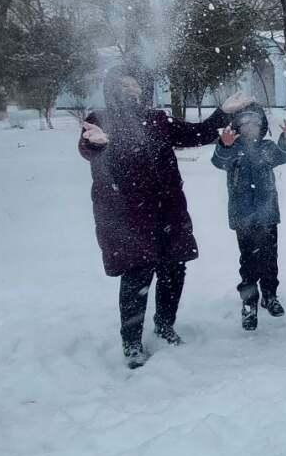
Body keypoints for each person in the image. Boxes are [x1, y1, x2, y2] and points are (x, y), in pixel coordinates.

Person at [78, 61, 240, 368]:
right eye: (125, 87)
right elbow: (88, 148)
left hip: (166, 213)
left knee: (173, 270)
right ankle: (131, 343)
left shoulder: (157, 120)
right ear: (113, 90)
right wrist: (94, 144)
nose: (132, 92)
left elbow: (197, 134)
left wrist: (222, 114)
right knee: (137, 276)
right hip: (128, 215)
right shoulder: (100, 120)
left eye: (137, 87)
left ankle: (165, 326)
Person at [210, 103, 286, 331]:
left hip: (267, 215)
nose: (250, 127)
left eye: (255, 123)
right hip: (243, 217)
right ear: (237, 126)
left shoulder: (268, 148)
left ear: (262, 126)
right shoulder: (233, 148)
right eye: (245, 122)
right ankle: (249, 303)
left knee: (270, 259)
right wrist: (223, 145)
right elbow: (218, 161)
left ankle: (270, 295)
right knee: (248, 262)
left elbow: (284, 156)